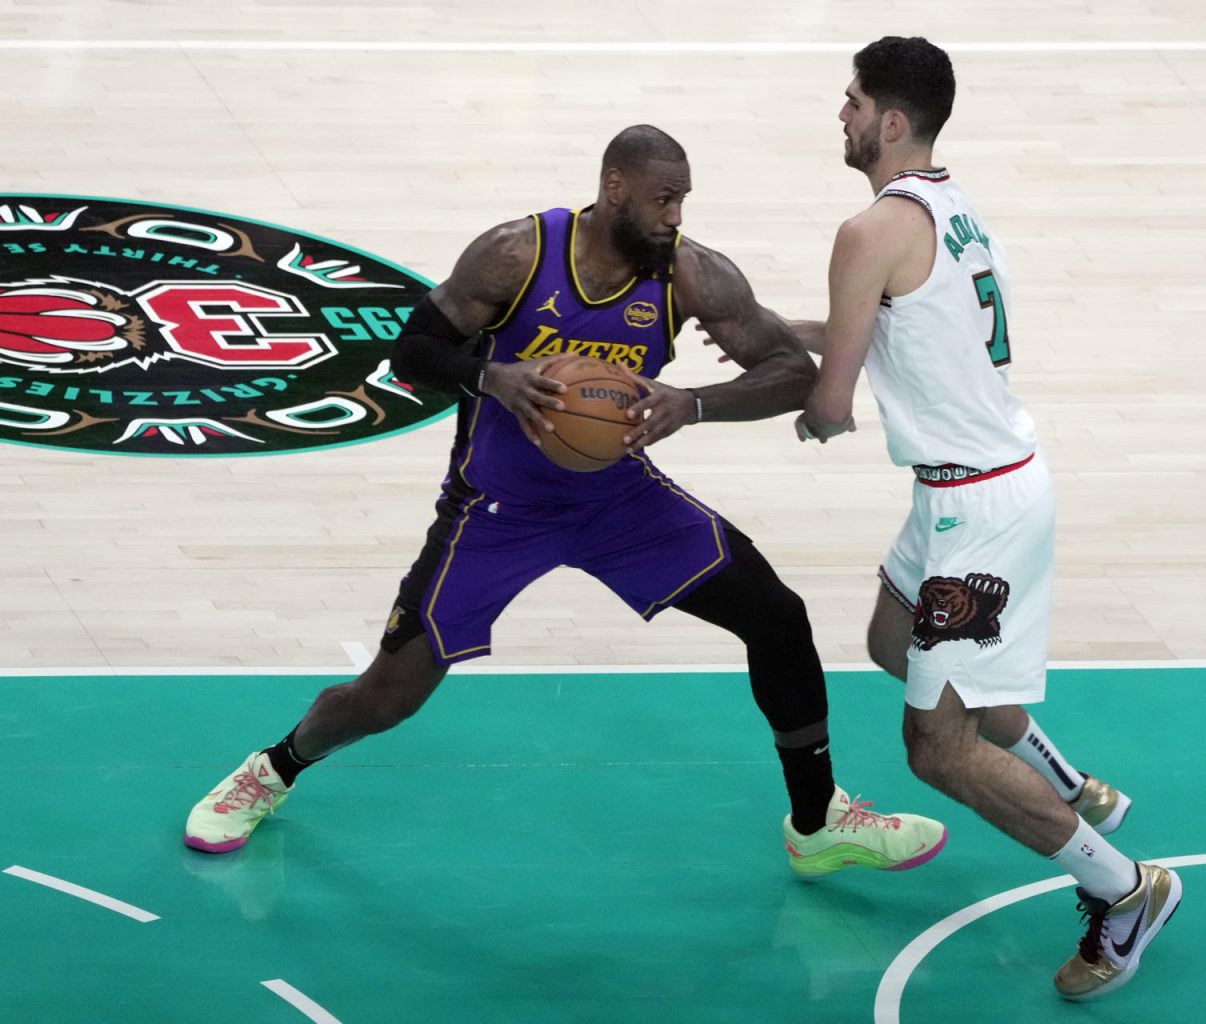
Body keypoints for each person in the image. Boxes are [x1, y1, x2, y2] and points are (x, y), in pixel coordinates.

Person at [184, 124, 947, 883]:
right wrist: (496, 376)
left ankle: (817, 823)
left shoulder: (691, 274)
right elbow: (412, 349)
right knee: (389, 692)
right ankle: (273, 768)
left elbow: (788, 370)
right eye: (662, 200)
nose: (674, 217)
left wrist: (695, 403)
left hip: (618, 501)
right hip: (497, 510)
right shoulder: (517, 254)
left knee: (776, 616)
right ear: (613, 186)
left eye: (681, 200)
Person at [791, 38, 1182, 1000]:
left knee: (936, 748)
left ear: (889, 121)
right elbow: (875, 336)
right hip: (972, 486)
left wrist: (750, 400)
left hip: (980, 511)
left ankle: (1125, 888)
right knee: (892, 639)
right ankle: (1067, 777)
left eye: (850, 102)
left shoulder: (869, 229)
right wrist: (762, 327)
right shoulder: (952, 209)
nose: (838, 115)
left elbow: (833, 405)